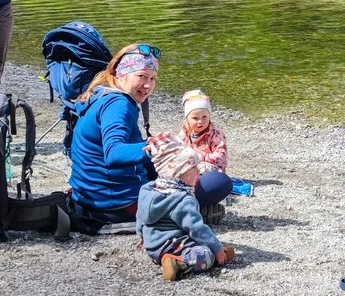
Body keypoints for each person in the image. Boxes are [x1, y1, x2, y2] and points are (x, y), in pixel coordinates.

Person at [68, 44, 233, 228]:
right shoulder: (118, 104)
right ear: (121, 74)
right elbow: (113, 153)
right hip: (117, 206)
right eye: (141, 76)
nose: (148, 85)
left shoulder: (101, 93)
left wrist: (153, 148)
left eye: (153, 78)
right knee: (219, 182)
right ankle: (179, 212)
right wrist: (156, 148)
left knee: (177, 172)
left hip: (86, 200)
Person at [136, 134, 236, 281]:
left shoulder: (148, 189)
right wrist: (216, 247)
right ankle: (176, 263)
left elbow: (140, 215)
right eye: (193, 168)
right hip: (172, 245)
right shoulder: (182, 199)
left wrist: (141, 235)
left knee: (201, 245)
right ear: (177, 173)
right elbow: (196, 228)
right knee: (204, 255)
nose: (199, 172)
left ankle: (166, 258)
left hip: (152, 247)